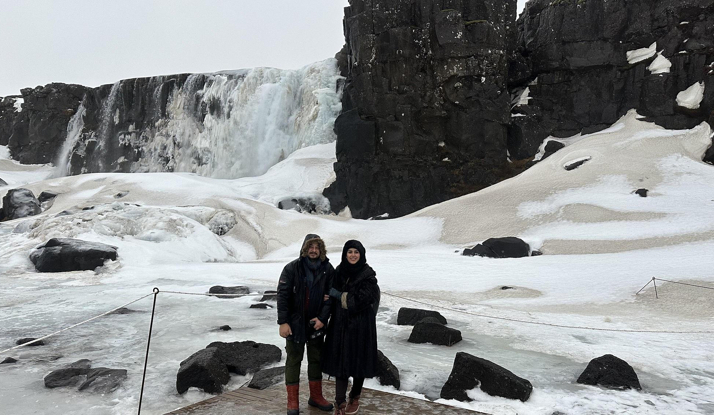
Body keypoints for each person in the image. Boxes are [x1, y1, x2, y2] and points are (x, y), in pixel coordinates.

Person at [277, 234, 335, 415]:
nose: (314, 250)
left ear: (322, 250)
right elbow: (283, 296)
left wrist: (322, 319)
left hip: (316, 323)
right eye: (311, 247)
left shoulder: (328, 269)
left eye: (317, 247)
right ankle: (292, 401)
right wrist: (283, 322)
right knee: (294, 359)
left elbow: (331, 296)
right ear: (305, 248)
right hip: (295, 323)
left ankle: (316, 396)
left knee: (316, 359)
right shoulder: (292, 268)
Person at [322, 240, 379, 415]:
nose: (353, 255)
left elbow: (358, 301)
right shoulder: (339, 272)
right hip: (340, 324)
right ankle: (340, 401)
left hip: (361, 325)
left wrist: (337, 294)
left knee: (358, 361)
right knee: (340, 361)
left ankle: (355, 396)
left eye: (356, 252)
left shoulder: (368, 276)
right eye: (350, 252)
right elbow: (329, 294)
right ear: (345, 254)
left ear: (361, 255)